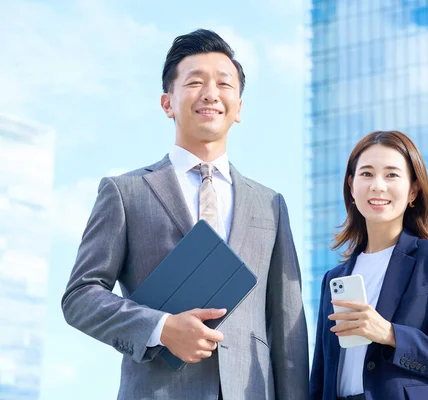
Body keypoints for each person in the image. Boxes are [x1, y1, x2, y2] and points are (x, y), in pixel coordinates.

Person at [61, 29, 309, 400]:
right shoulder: (125, 193)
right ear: (167, 103)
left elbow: (287, 322)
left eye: (224, 84)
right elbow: (80, 296)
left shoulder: (271, 205)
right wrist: (160, 327)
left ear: (238, 107)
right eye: (195, 82)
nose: (211, 93)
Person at [309, 130, 428, 400]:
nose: (377, 185)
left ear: (413, 190)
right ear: (351, 187)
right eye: (366, 174)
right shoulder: (334, 279)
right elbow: (321, 375)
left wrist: (389, 333)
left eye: (391, 174)